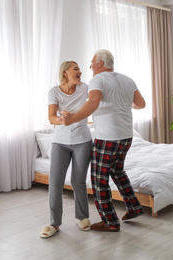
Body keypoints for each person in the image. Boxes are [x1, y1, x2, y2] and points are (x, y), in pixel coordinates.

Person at [63, 49, 146, 232]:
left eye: (92, 62)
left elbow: (92, 103)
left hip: (108, 137)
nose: (90, 66)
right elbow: (141, 104)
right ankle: (133, 207)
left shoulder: (98, 80)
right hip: (126, 136)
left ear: (100, 63)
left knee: (99, 179)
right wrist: (124, 105)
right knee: (118, 171)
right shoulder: (127, 79)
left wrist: (73, 118)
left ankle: (110, 222)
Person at [40, 61, 92, 238]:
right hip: (60, 142)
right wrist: (63, 119)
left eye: (80, 69)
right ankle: (54, 223)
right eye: (76, 69)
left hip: (83, 141)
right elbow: (51, 118)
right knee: (55, 183)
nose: (80, 72)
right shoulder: (54, 92)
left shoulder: (85, 88)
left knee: (78, 182)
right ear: (65, 72)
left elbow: (95, 101)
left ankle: (83, 217)